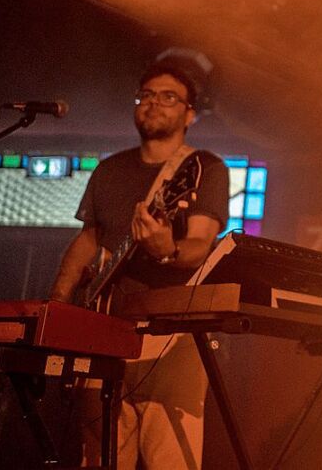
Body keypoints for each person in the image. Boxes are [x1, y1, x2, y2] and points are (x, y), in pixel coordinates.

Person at [49, 61, 229, 469]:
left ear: (189, 114)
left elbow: (200, 243)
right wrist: (58, 306)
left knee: (171, 459)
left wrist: (166, 248)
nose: (154, 103)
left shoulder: (203, 169)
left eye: (168, 97)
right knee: (98, 458)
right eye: (146, 94)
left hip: (170, 336)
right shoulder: (110, 169)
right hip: (103, 330)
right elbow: (88, 241)